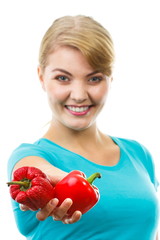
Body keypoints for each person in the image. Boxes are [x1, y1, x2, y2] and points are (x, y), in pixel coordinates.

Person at [7, 15, 159, 240]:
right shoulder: (30, 155)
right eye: (63, 78)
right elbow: (32, 171)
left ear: (110, 78)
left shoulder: (138, 153)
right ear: (41, 76)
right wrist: (57, 181)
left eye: (94, 79)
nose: (79, 95)